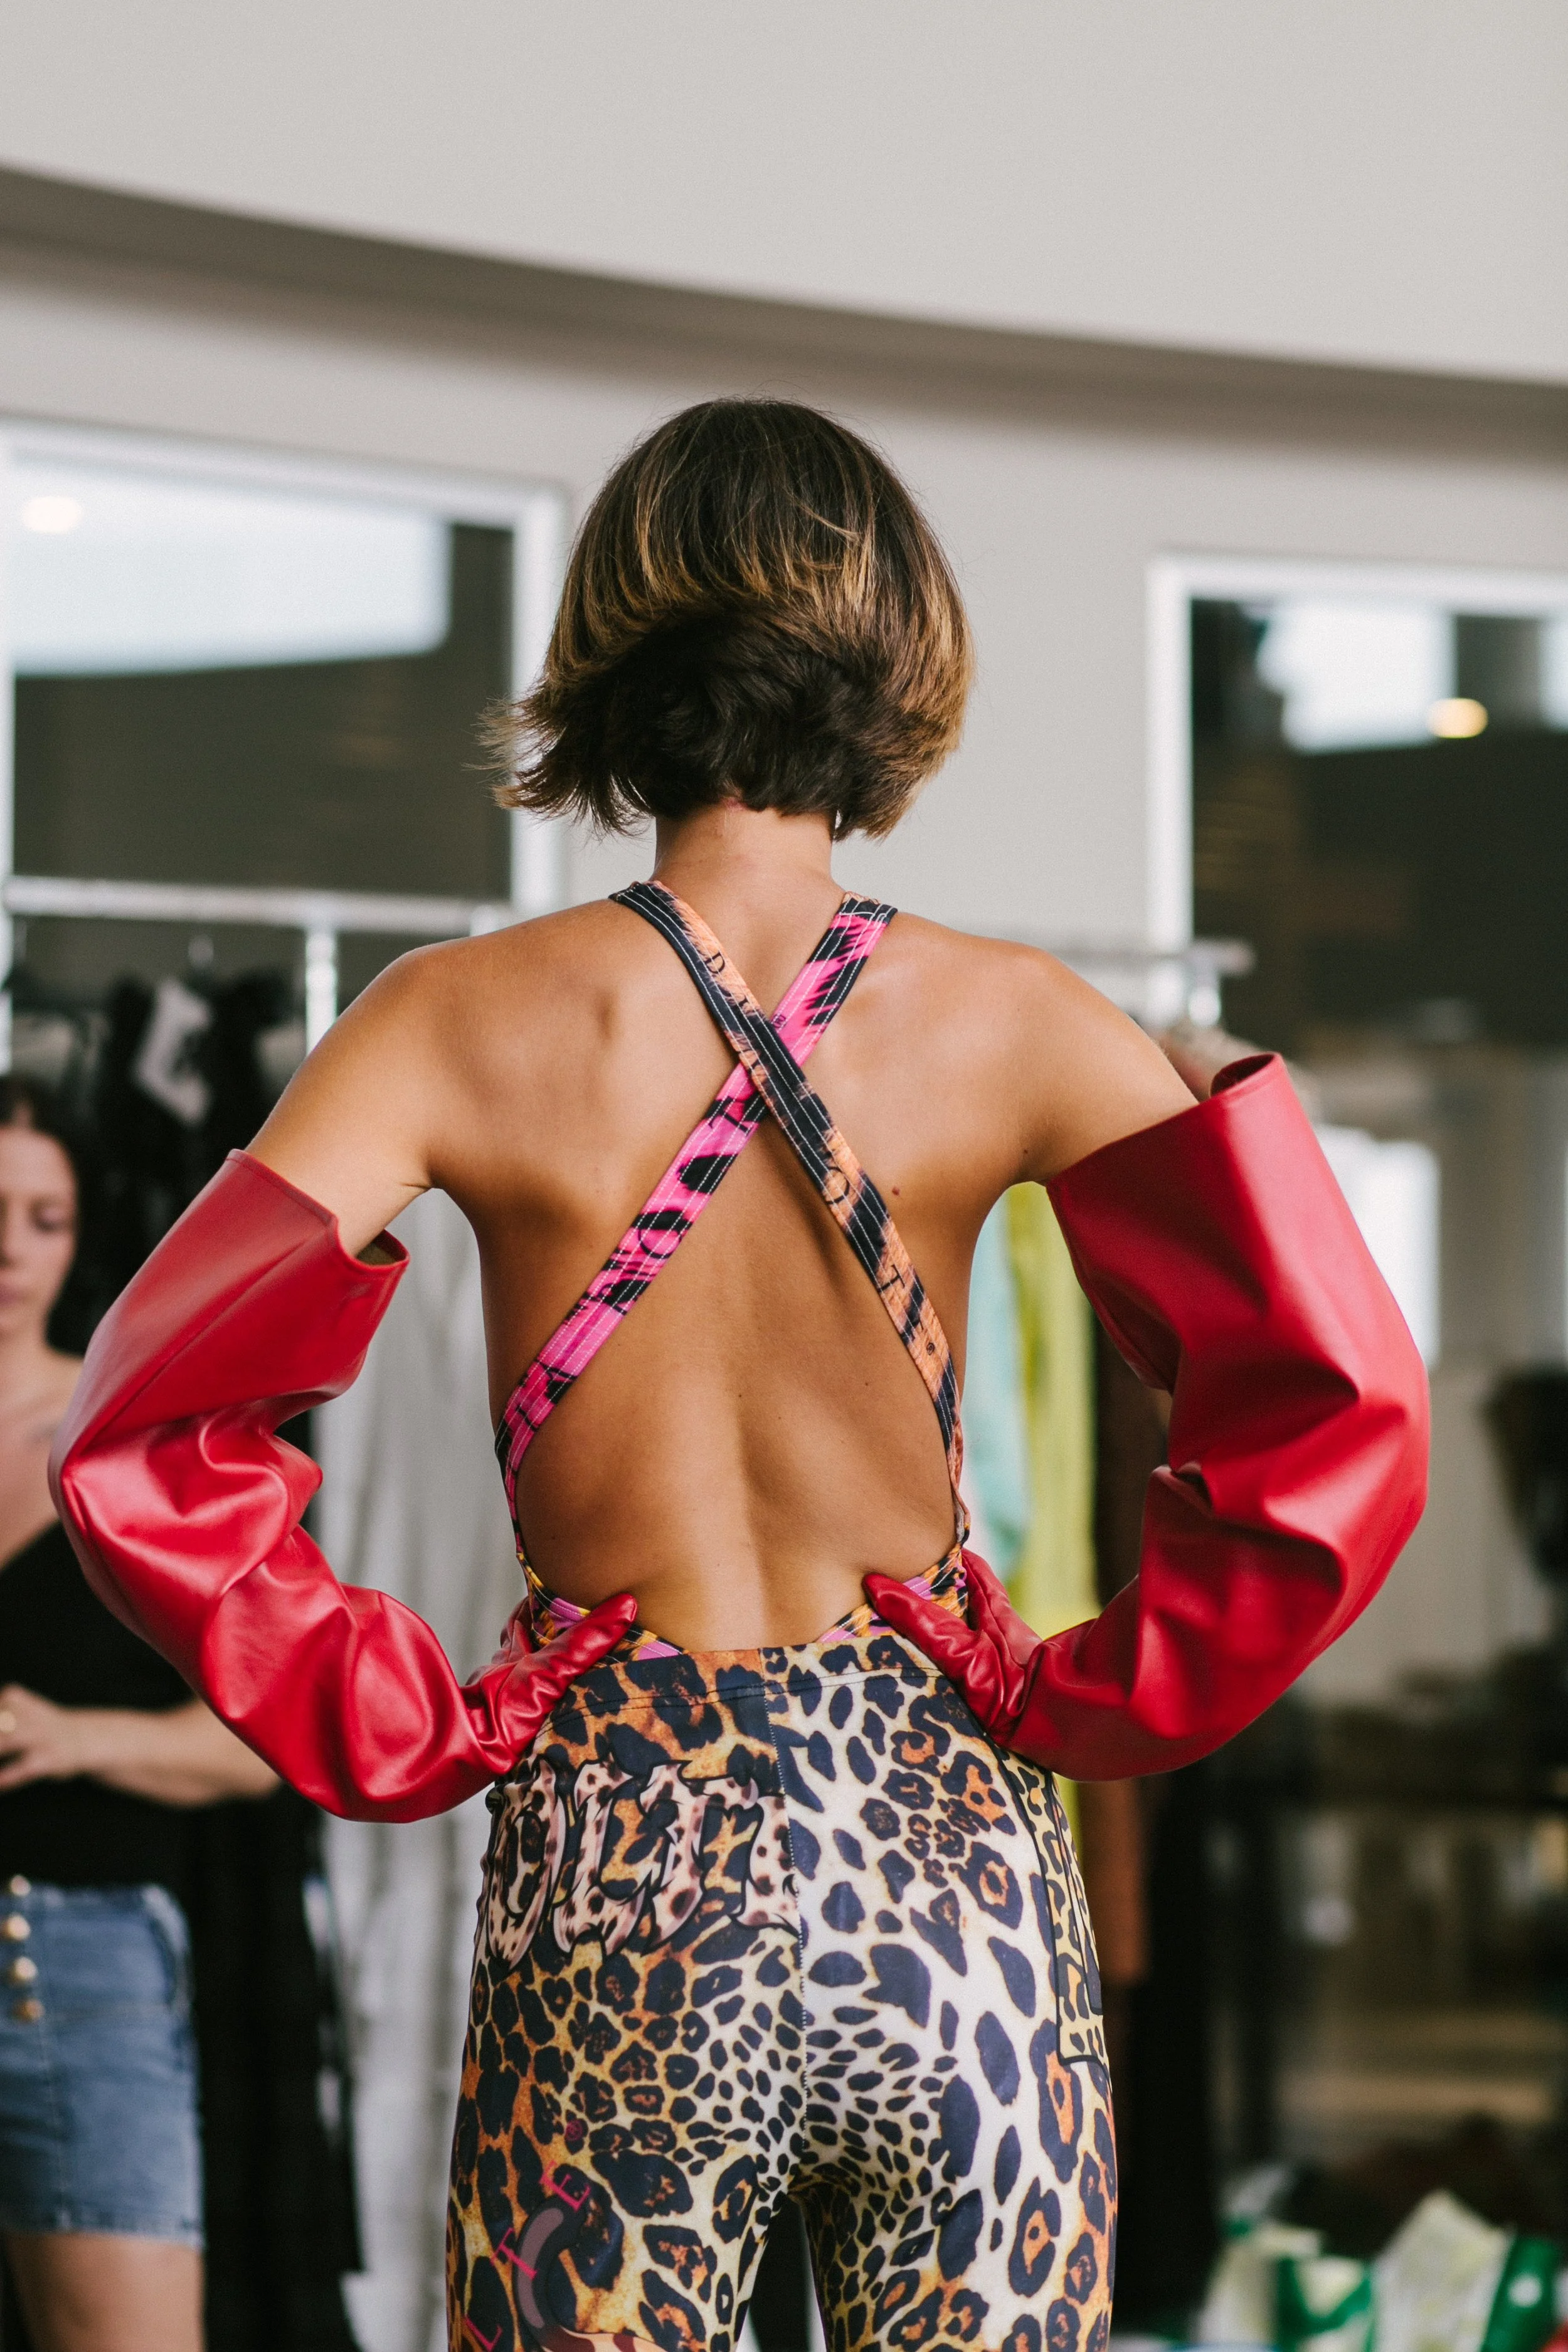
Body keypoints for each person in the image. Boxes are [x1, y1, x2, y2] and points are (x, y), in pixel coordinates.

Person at [49, 401, 1428, 2352]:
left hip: (621, 1860)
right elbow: (1341, 1401)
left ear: (611, 645)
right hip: (949, 1870)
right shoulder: (1025, 1017)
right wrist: (1104, 1690)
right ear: (899, 649)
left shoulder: (444, 1020)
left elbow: (138, 1429)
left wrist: (399, 1716)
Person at [0, 1081, 277, 2352]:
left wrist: (72, 1735)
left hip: (75, 1957)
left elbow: (260, 1744)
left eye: (45, 1217)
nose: (11, 1249)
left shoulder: (132, 1445)